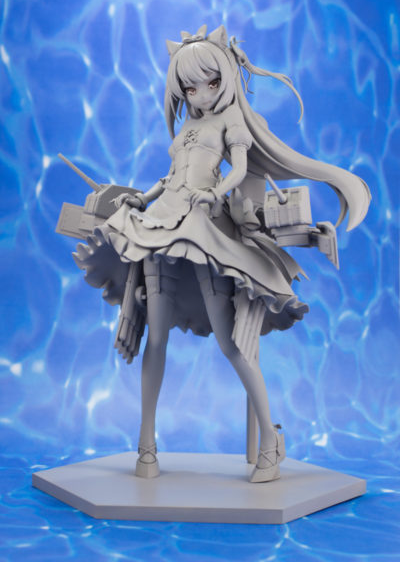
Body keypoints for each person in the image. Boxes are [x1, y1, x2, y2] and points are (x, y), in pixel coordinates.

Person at [73, 25, 370, 483]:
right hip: (163, 222)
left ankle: (270, 441)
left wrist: (215, 194)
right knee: (156, 336)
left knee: (231, 343)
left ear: (224, 79)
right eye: (189, 88)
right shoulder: (189, 124)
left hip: (203, 225)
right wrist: (142, 198)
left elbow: (240, 169)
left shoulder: (230, 121)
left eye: (209, 83)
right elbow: (171, 175)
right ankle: (146, 447)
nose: (200, 94)